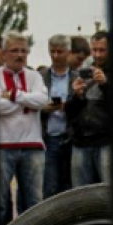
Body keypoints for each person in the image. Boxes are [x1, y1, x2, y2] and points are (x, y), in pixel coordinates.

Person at [0, 32, 50, 225]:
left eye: (24, 51)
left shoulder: (35, 76)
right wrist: (27, 100)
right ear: (3, 53)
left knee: (34, 201)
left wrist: (13, 95)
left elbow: (42, 101)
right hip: (3, 145)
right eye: (14, 50)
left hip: (32, 145)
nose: (19, 55)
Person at [67, 30, 112, 186]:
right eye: (95, 50)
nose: (98, 55)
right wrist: (76, 95)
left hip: (107, 140)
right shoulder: (80, 73)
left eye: (102, 50)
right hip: (81, 141)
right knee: (80, 196)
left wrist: (106, 84)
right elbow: (69, 111)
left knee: (110, 193)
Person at [40, 35, 76, 198]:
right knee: (50, 186)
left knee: (70, 185)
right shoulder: (41, 77)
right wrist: (44, 108)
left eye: (59, 52)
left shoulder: (76, 77)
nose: (55, 56)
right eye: (52, 51)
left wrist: (68, 106)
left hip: (71, 136)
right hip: (49, 136)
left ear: (68, 52)